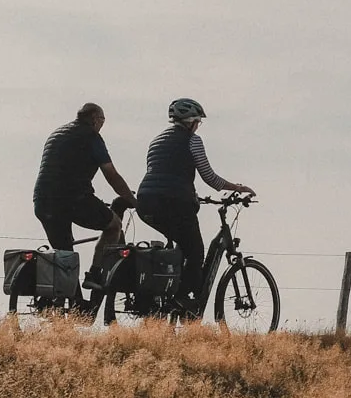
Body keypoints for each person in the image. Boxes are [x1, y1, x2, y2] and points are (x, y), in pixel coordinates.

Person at [137, 98, 255, 315]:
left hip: (145, 202)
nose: (198, 126)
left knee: (181, 245)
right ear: (191, 122)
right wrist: (237, 187)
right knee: (196, 251)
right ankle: (182, 299)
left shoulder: (156, 141)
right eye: (198, 122)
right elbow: (209, 176)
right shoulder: (192, 140)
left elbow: (167, 173)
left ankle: (168, 295)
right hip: (172, 203)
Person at [32, 103, 138, 287]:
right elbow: (111, 175)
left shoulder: (57, 134)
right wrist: (132, 199)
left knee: (65, 255)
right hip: (74, 199)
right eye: (102, 120)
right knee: (113, 225)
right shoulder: (91, 137)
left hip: (42, 200)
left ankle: (70, 299)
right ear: (95, 119)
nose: (102, 124)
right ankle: (94, 275)